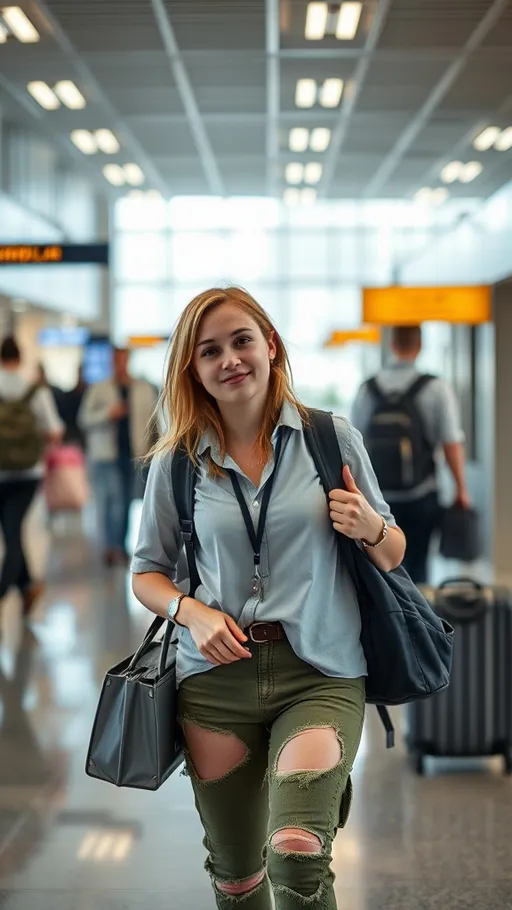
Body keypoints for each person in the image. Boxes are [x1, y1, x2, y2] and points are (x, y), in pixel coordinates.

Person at [131, 287, 405, 910]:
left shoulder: (330, 438)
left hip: (321, 670)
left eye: (242, 340)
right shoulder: (176, 461)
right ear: (192, 370)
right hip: (213, 680)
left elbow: (392, 554)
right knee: (235, 874)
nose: (230, 359)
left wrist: (371, 527)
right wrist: (190, 611)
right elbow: (146, 572)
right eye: (209, 351)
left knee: (297, 852)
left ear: (271, 345)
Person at [351, 325, 469, 584]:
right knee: (418, 566)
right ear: (419, 346)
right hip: (421, 494)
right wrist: (461, 489)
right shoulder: (435, 387)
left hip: (377, 498)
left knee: (382, 567)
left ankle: (390, 620)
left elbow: (353, 444)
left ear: (392, 345)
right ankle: (420, 620)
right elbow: (451, 442)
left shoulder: (367, 389)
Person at [0, 337, 63, 616]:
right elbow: (55, 430)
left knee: (10, 531)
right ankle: (22, 585)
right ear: (20, 357)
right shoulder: (34, 389)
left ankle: (21, 586)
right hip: (28, 472)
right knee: (13, 531)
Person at [79, 347, 158, 565]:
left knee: (124, 502)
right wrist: (107, 414)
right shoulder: (99, 388)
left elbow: (154, 422)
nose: (120, 365)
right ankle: (110, 546)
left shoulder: (143, 389)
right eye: (116, 360)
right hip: (106, 455)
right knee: (109, 500)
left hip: (134, 454)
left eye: (124, 360)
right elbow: (84, 419)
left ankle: (120, 545)